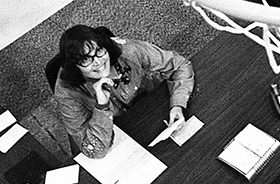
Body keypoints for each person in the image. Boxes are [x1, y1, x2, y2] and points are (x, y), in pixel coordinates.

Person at [54, 25, 195, 159]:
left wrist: (177, 104)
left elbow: (179, 65)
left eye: (99, 51)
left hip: (156, 112)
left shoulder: (128, 50)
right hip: (117, 138)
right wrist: (102, 106)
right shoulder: (66, 93)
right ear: (75, 67)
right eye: (86, 60)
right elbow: (94, 149)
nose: (98, 62)